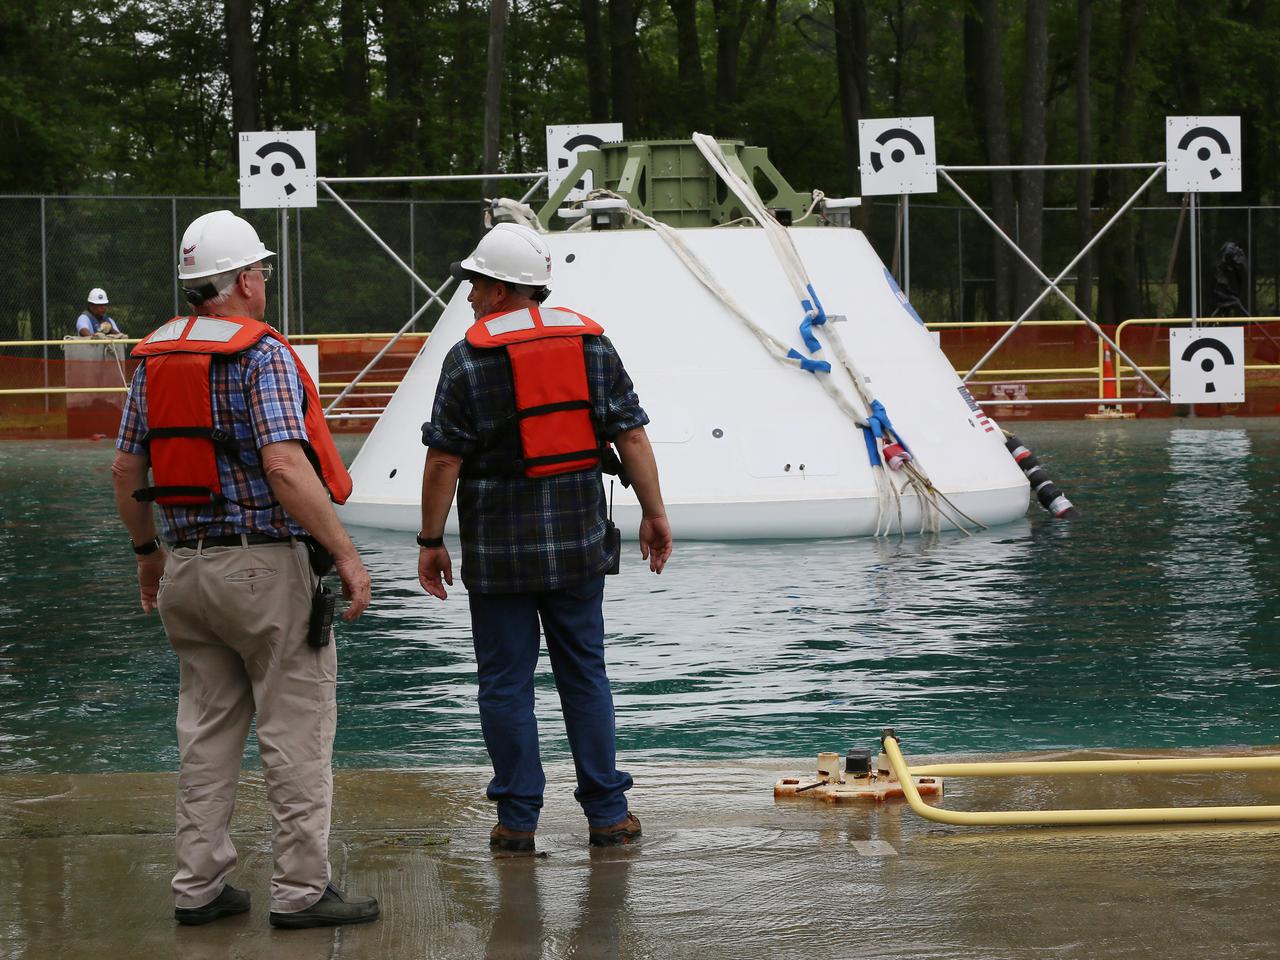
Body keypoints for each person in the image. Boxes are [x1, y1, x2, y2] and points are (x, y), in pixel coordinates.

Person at [111, 209, 380, 930]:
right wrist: (348, 556)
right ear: (237, 283)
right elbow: (285, 465)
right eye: (259, 271)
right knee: (294, 734)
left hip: (187, 573)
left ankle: (198, 887)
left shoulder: (155, 359)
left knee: (204, 735)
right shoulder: (258, 356)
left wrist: (148, 559)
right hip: (263, 572)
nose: (264, 281)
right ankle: (301, 893)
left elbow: (126, 468)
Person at [417, 222, 673, 854]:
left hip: (498, 555)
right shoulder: (592, 347)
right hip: (579, 546)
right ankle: (609, 815)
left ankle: (516, 821)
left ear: (503, 288)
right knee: (585, 674)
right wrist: (654, 511)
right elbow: (631, 436)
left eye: (476, 284)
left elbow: (443, 461)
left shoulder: (468, 359)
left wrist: (430, 539)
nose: (470, 296)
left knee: (504, 683)